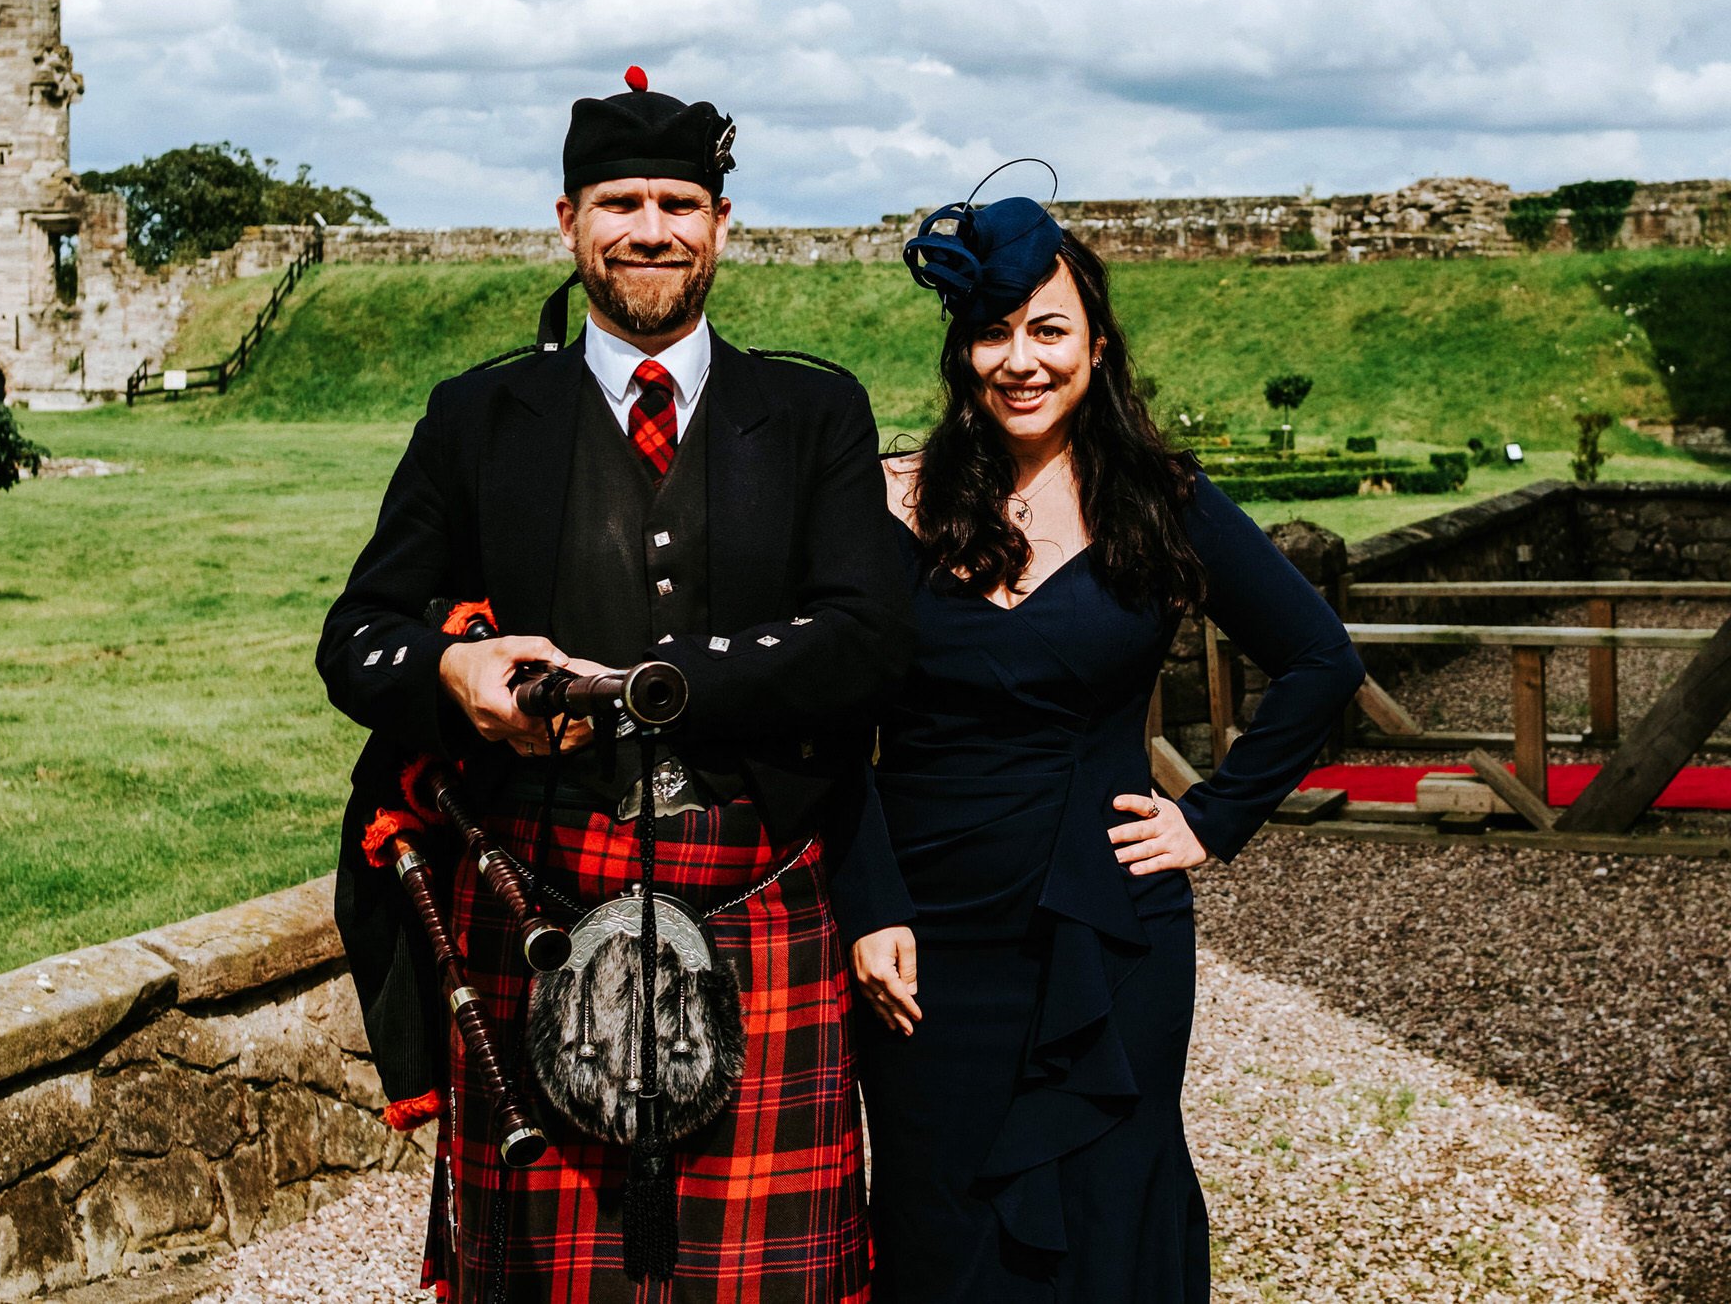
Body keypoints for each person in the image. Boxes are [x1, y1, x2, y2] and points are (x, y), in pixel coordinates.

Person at [319, 68, 911, 1302]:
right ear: (568, 219)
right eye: (621, 200)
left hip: (757, 887)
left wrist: (645, 679)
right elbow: (356, 635)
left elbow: (864, 640)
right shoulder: (479, 415)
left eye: (681, 201)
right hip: (540, 897)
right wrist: (450, 669)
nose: (653, 228)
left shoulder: (811, 411)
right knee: (543, 1280)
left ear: (722, 225)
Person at [831, 185, 1364, 1303]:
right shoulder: (890, 502)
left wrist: (1211, 818)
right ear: (958, 347)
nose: (1018, 360)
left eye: (1047, 328)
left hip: (1108, 929)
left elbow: (1320, 661)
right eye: (991, 330)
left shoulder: (1160, 502)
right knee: (940, 1222)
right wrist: (871, 903)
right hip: (925, 943)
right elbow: (833, 727)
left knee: (1106, 1209)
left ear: (1097, 345)